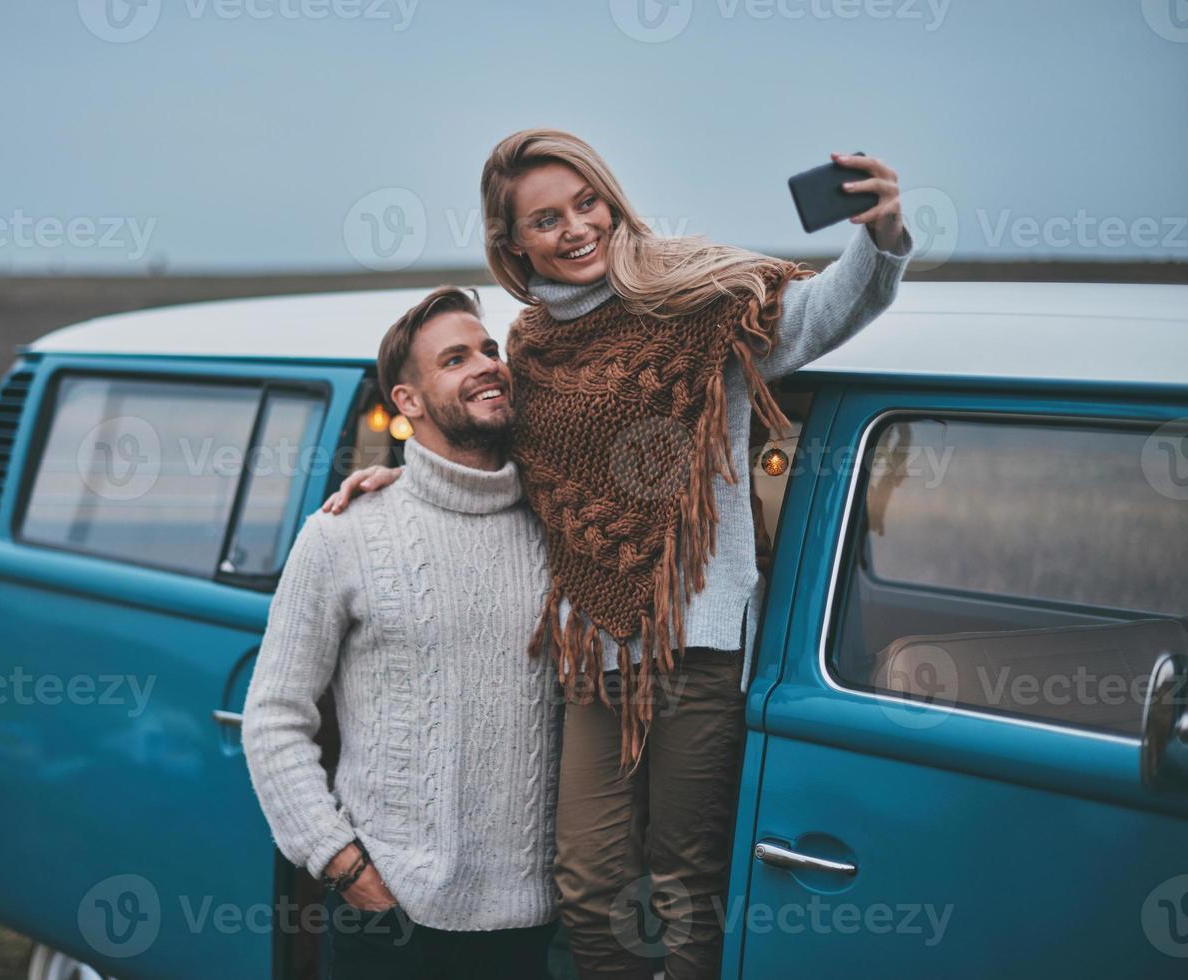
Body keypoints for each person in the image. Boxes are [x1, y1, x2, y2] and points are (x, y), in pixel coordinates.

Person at [323, 129, 914, 979]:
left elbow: (825, 312)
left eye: (586, 203)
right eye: (545, 219)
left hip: (696, 645)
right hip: (589, 653)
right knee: (590, 885)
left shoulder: (695, 302)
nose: (575, 229)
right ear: (512, 243)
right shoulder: (527, 346)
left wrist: (881, 237)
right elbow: (519, 468)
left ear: (611, 199)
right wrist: (396, 481)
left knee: (683, 880)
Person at [242, 285, 561, 980]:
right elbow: (272, 716)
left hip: (537, 927)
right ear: (408, 400)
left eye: (488, 349)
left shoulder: (560, 526)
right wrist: (337, 858)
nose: (484, 364)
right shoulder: (343, 533)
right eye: (453, 359)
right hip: (390, 921)